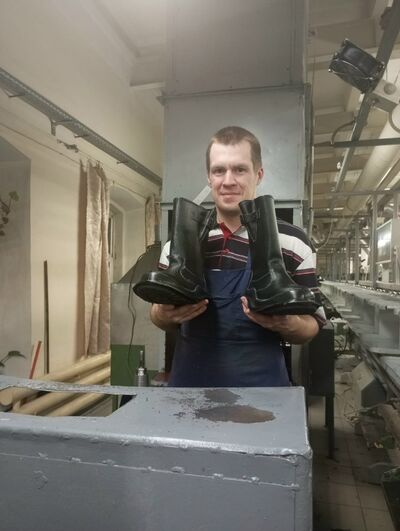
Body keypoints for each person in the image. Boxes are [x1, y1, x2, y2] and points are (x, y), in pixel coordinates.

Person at [150, 126, 326, 387]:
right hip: (190, 391)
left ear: (259, 174)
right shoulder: (178, 245)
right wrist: (162, 316)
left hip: (262, 392)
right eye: (219, 170)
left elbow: (315, 323)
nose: (228, 181)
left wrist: (289, 324)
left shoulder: (292, 242)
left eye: (240, 169)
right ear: (209, 177)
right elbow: (157, 314)